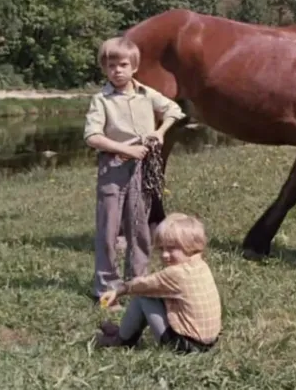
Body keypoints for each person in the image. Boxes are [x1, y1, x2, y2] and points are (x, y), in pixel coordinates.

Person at [83, 36, 186, 310]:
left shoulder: (146, 94)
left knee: (139, 228)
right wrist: (124, 150)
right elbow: (92, 136)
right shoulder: (101, 100)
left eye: (123, 64)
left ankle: (137, 283)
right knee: (109, 230)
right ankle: (105, 287)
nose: (117, 70)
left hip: (142, 169)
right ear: (104, 69)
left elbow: (175, 110)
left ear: (134, 67)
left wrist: (160, 132)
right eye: (110, 65)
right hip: (113, 168)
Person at [95, 213, 222, 354]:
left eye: (172, 248)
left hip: (186, 347)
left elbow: (143, 285)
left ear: (191, 246)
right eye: (162, 249)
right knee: (155, 294)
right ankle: (124, 333)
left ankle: (121, 340)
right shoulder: (200, 265)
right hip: (208, 342)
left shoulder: (176, 274)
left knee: (143, 296)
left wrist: (118, 291)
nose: (164, 255)